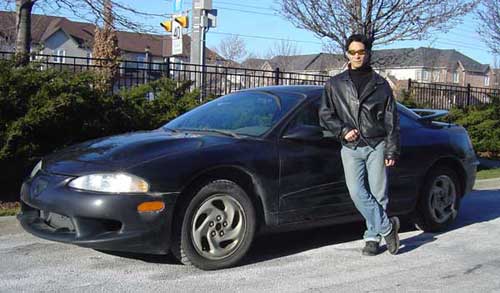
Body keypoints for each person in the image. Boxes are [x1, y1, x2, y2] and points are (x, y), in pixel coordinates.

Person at [319, 34, 401, 256]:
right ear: (347, 53)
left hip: (377, 144)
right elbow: (325, 114)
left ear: (368, 53)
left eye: (361, 52)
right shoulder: (335, 84)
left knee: (378, 193)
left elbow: (391, 119)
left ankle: (372, 238)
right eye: (353, 52)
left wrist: (392, 149)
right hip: (350, 147)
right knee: (357, 192)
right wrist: (343, 130)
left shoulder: (381, 85)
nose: (357, 56)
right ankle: (388, 227)